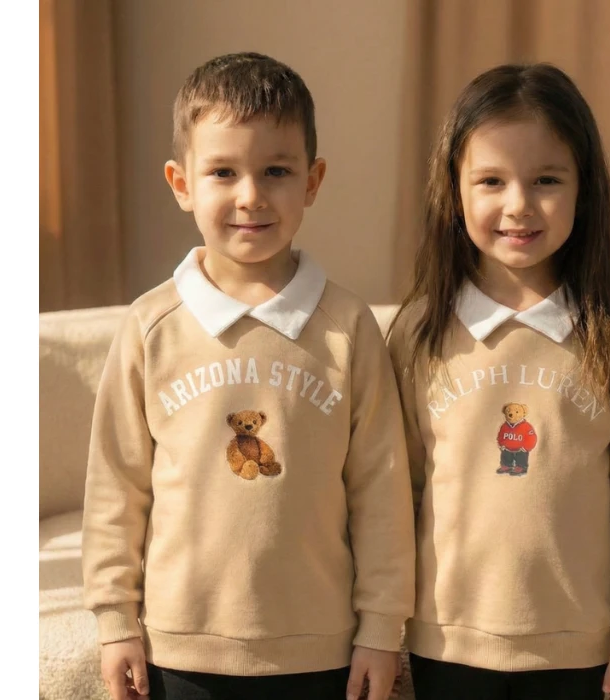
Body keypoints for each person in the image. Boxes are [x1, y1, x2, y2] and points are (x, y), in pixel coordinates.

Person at [82, 51, 414, 700]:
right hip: (181, 646)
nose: (251, 196)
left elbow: (382, 490)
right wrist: (115, 619)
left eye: (276, 171)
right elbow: (116, 485)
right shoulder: (151, 327)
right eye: (223, 172)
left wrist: (382, 627)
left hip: (319, 648)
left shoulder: (348, 328)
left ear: (312, 181)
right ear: (182, 183)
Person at [388, 63, 610, 700]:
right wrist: (380, 626)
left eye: (546, 179)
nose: (518, 204)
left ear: (584, 191)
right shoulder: (417, 335)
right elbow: (391, 492)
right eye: (491, 180)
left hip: (577, 647)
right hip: (445, 643)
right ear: (453, 191)